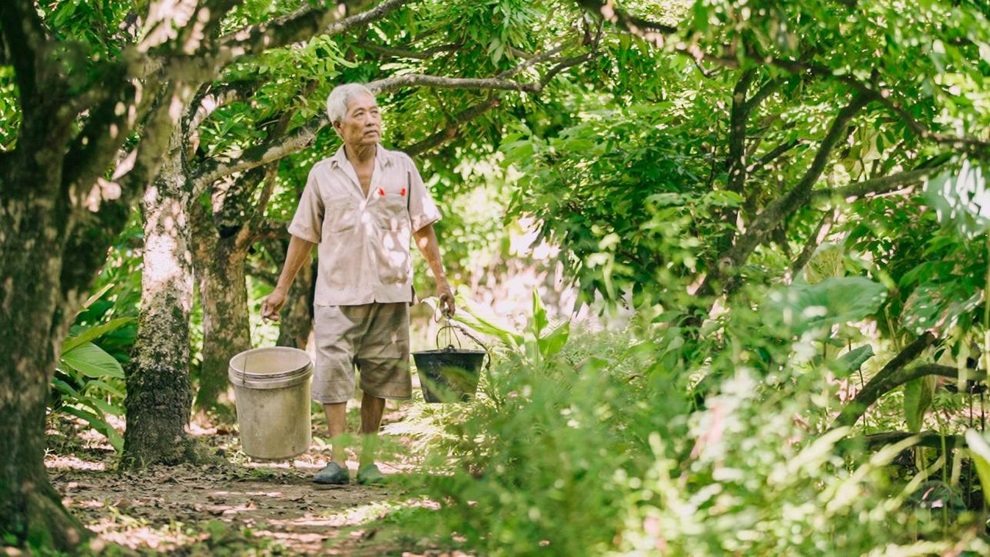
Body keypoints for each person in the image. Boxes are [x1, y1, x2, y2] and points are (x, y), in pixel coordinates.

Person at [261, 83, 455, 485]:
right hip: (337, 293)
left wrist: (441, 281)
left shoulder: (402, 166)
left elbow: (422, 227)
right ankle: (336, 461)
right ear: (338, 126)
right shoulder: (322, 174)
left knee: (379, 377)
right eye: (360, 114)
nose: (371, 121)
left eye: (375, 112)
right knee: (333, 377)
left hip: (390, 290)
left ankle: (368, 462)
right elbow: (303, 234)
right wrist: (281, 288)